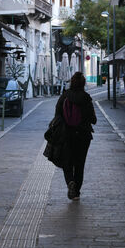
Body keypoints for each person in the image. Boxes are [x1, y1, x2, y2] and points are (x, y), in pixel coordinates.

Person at [54, 72, 97, 200]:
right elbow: (93, 119)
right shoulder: (86, 97)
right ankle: (76, 192)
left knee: (67, 162)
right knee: (80, 164)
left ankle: (70, 182)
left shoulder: (64, 96)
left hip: (66, 134)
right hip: (83, 136)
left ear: (71, 82)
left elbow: (57, 115)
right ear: (83, 83)